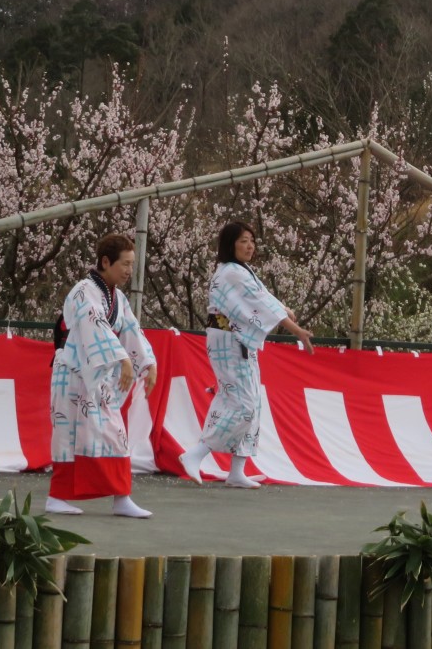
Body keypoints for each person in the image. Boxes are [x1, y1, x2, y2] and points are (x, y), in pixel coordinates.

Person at [178, 222, 314, 489]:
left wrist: (283, 308)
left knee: (249, 400)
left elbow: (262, 297)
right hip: (229, 341)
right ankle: (196, 454)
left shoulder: (240, 271)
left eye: (252, 240)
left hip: (236, 341)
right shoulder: (231, 273)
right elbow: (261, 304)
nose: (249, 245)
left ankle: (237, 470)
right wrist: (296, 330)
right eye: (243, 240)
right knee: (244, 405)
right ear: (230, 244)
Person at [47, 232, 158, 518]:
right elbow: (93, 325)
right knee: (67, 437)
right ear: (105, 262)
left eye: (132, 264)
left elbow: (132, 329)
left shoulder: (118, 298)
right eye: (124, 264)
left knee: (114, 433)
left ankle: (122, 497)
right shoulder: (84, 291)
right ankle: (57, 497)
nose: (129, 271)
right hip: (73, 374)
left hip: (97, 377)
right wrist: (122, 359)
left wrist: (148, 363)